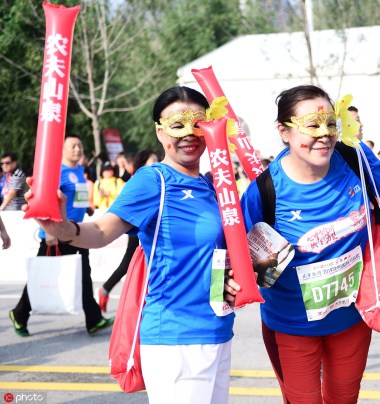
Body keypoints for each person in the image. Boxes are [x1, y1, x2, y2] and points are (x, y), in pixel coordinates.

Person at [232, 84, 380, 403]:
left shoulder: (353, 158)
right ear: (284, 131)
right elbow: (237, 256)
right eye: (311, 125)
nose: (324, 134)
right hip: (292, 327)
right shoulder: (264, 192)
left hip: (351, 320)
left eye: (330, 123)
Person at [25, 86, 234, 403]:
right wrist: (63, 228)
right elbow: (101, 231)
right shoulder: (153, 181)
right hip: (175, 339)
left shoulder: (213, 185)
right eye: (178, 125)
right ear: (160, 132)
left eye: (198, 123)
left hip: (219, 330)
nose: (189, 134)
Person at [9, 134, 113, 337]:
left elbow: (76, 196)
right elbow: (46, 199)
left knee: (84, 275)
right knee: (43, 275)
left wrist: (86, 208)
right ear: (62, 150)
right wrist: (50, 233)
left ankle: (93, 319)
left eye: (79, 145)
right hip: (56, 234)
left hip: (78, 231)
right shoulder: (56, 171)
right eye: (73, 146)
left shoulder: (79, 170)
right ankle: (19, 314)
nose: (77, 149)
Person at [97, 148, 160, 312]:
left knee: (130, 262)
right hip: (139, 227)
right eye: (153, 161)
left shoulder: (157, 180)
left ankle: (107, 290)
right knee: (130, 262)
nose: (157, 164)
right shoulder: (139, 182)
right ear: (142, 164)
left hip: (145, 227)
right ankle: (108, 291)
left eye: (157, 160)